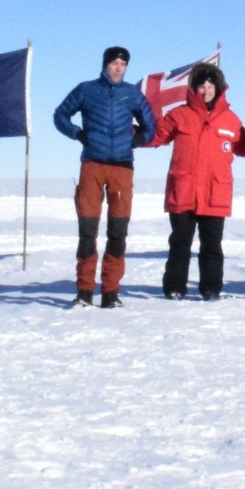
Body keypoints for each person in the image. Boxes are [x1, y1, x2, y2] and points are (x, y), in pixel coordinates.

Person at [52, 44, 156, 307]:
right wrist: (77, 133)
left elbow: (150, 123)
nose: (119, 68)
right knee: (88, 230)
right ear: (105, 64)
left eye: (123, 64)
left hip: (122, 167)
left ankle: (111, 292)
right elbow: (60, 114)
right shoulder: (86, 90)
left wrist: (140, 139)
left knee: (118, 231)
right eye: (114, 63)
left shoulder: (131, 94)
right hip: (92, 165)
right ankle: (84, 291)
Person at [147, 62, 245, 300]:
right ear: (194, 87)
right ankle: (174, 287)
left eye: (211, 83)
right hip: (184, 191)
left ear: (219, 87)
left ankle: (211, 288)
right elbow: (156, 136)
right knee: (180, 244)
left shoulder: (231, 120)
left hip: (215, 193)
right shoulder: (179, 115)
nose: (206, 88)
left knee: (212, 245)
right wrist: (127, 132)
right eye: (201, 84)